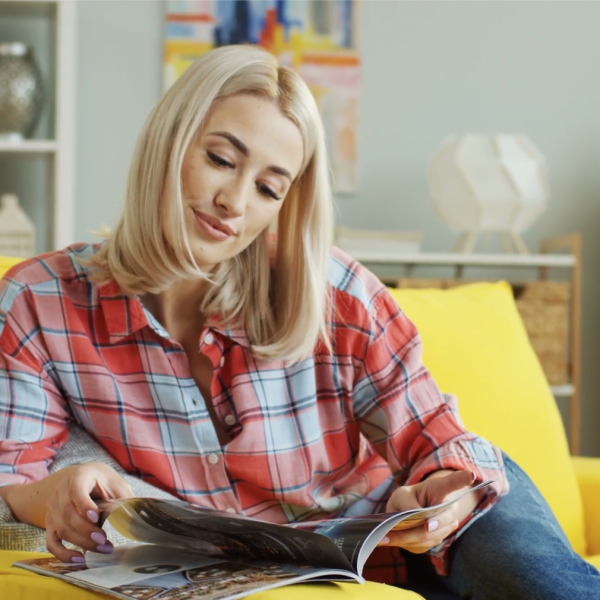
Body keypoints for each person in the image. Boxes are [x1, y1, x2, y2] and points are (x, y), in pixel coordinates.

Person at [0, 45, 597, 600]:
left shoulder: (334, 293)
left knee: (532, 578)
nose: (235, 201)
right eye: (219, 159)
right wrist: (59, 489)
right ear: (169, 141)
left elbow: (437, 441)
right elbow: (12, 479)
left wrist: (448, 492)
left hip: (411, 535)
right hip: (280, 574)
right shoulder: (39, 301)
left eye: (267, 187)